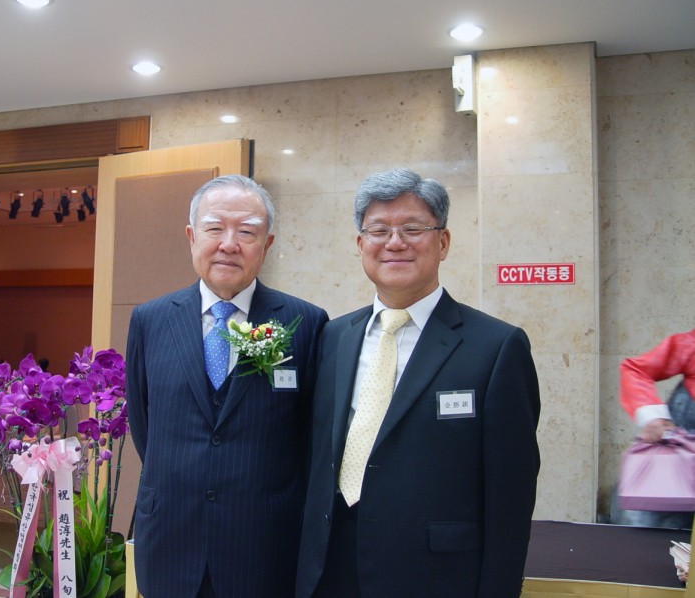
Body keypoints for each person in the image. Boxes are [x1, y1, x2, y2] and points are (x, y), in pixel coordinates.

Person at [295, 168, 541, 598]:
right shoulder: (333, 336)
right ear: (360, 245)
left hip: (434, 576)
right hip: (329, 569)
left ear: (442, 242)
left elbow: (511, 497)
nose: (395, 243)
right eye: (379, 230)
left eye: (413, 229)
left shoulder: (496, 347)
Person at [126, 174, 328, 598]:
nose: (229, 244)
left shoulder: (306, 323)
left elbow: (311, 438)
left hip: (264, 548)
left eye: (247, 232)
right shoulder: (150, 320)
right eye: (214, 228)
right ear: (191, 236)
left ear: (267, 244)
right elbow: (145, 428)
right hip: (170, 542)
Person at [612, 329, 695, 528]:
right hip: (676, 474)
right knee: (651, 533)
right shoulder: (690, 345)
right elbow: (636, 370)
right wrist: (653, 417)